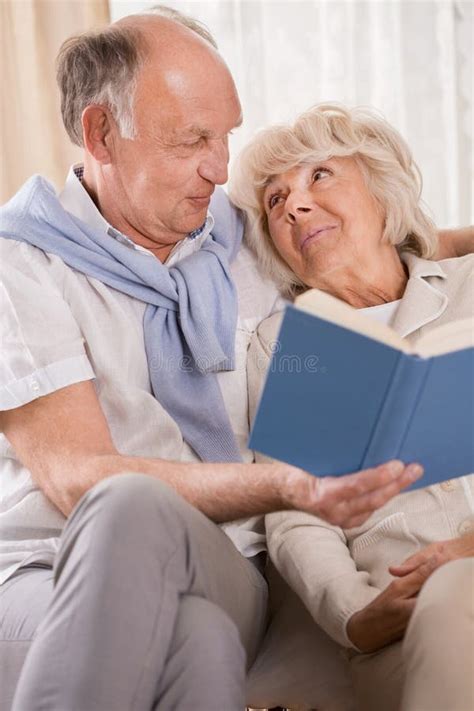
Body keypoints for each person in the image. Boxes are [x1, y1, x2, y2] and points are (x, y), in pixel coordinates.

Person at [0, 10, 427, 711]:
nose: (220, 167)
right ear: (101, 134)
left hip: (224, 566)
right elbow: (79, 479)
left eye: (225, 134)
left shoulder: (239, 233)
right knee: (192, 632)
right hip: (45, 566)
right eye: (193, 139)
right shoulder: (21, 262)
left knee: (193, 607)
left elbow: (383, 240)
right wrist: (289, 485)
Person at [230, 102, 474, 711]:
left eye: (318, 175)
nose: (294, 205)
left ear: (381, 186)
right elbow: (296, 516)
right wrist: (355, 616)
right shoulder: (285, 347)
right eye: (274, 201)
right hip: (413, 618)